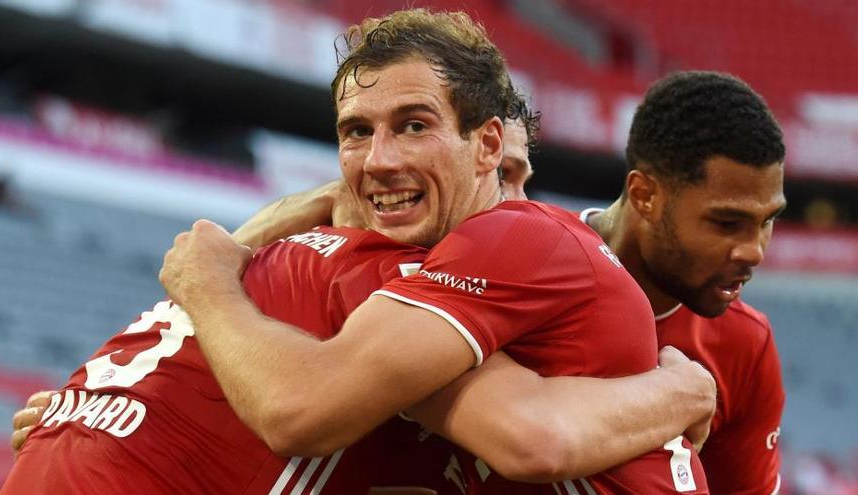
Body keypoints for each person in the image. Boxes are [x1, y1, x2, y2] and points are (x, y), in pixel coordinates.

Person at [158, 9, 710, 494]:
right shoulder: (415, 277)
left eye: (414, 126)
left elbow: (298, 412)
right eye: (357, 133)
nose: (378, 160)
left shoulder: (512, 236)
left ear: (487, 149)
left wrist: (208, 283)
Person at [580, 71, 787, 495]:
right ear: (645, 196)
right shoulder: (526, 266)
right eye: (728, 222)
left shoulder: (744, 346)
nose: (755, 252)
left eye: (767, 221)